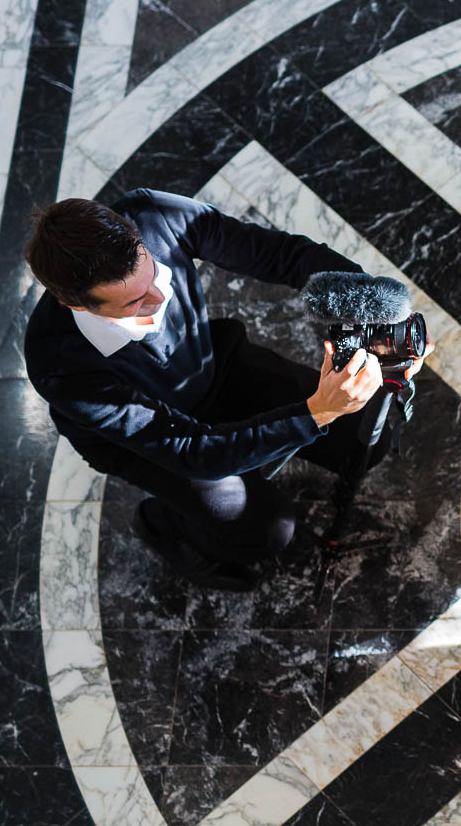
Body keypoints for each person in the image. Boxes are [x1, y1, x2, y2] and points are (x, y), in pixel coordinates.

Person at [23, 189, 424, 591]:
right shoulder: (57, 364)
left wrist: (372, 307)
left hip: (212, 368)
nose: (160, 297)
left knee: (365, 443)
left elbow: (281, 255)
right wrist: (317, 411)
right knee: (267, 532)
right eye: (135, 302)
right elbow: (192, 450)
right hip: (152, 445)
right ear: (77, 305)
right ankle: (164, 523)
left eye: (153, 273)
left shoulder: (154, 214)